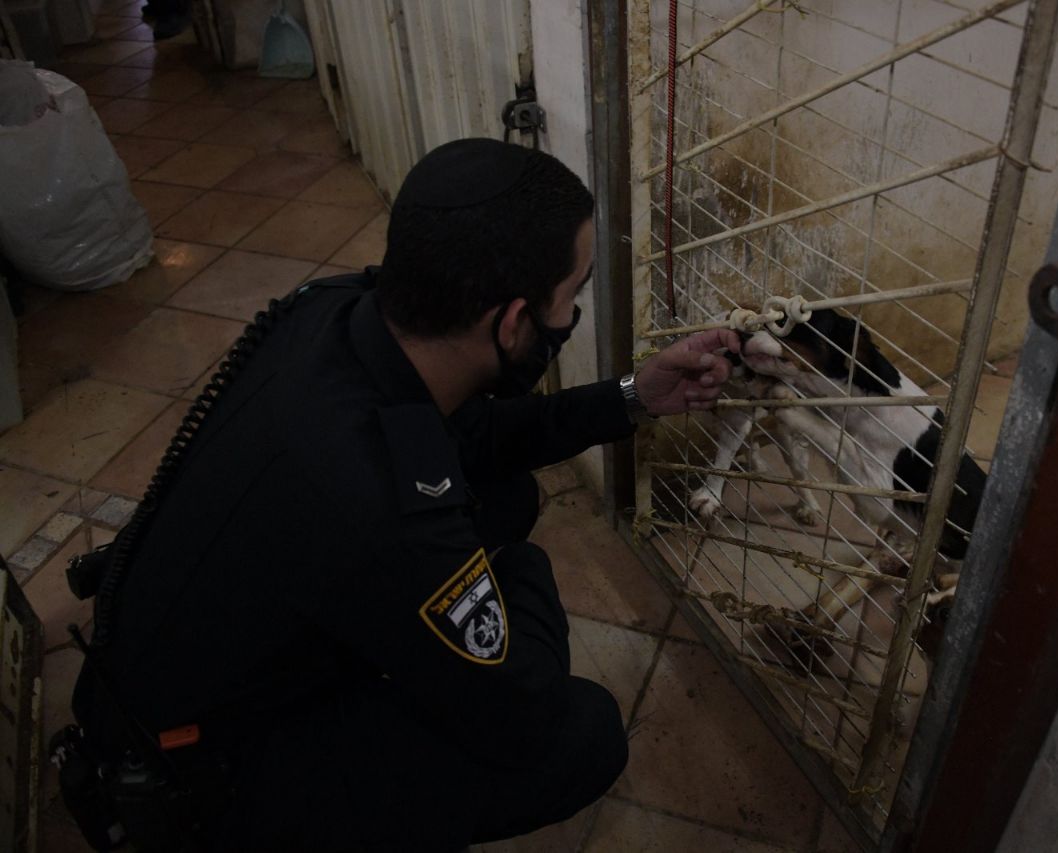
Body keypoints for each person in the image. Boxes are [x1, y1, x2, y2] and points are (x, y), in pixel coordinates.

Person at [67, 138, 739, 852]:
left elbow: (476, 436)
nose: (573, 313)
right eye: (573, 294)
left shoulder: (336, 314)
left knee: (503, 494)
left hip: (173, 656)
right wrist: (521, 573)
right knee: (586, 732)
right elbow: (527, 712)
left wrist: (634, 396)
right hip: (200, 768)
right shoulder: (379, 507)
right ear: (513, 323)